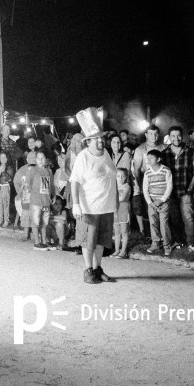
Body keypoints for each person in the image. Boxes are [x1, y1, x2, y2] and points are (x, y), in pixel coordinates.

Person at [69, 107, 118, 284]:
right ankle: (88, 269)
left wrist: (115, 202)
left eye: (101, 139)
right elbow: (74, 181)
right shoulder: (83, 157)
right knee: (88, 240)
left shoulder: (106, 154)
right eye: (96, 139)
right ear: (88, 142)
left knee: (101, 240)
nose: (100, 142)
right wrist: (76, 204)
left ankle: (98, 269)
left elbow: (111, 178)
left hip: (106, 206)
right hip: (89, 207)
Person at [161, 126, 194, 252]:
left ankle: (191, 243)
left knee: (188, 218)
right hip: (171, 192)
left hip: (185, 191)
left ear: (182, 136)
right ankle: (179, 241)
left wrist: (190, 188)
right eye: (173, 136)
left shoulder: (190, 152)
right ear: (169, 137)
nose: (176, 138)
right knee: (175, 218)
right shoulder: (164, 154)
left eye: (178, 135)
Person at [131, 125, 165, 239]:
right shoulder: (140, 149)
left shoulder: (163, 148)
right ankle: (148, 235)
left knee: (161, 210)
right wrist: (141, 186)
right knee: (148, 210)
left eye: (156, 133)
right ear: (146, 135)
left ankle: (162, 235)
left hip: (161, 183)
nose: (153, 136)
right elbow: (136, 170)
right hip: (146, 182)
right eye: (150, 133)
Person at [143, 149, 174, 255]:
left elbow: (169, 186)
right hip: (152, 203)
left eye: (151, 158)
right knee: (153, 223)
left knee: (164, 223)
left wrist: (162, 200)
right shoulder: (147, 172)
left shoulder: (166, 170)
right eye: (148, 158)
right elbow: (145, 189)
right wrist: (150, 202)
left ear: (159, 159)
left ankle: (167, 245)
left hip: (163, 202)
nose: (149, 160)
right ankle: (155, 243)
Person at [28, 151, 54, 250]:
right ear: (35, 160)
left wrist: (53, 195)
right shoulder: (33, 170)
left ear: (45, 159)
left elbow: (51, 185)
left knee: (44, 221)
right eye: (38, 158)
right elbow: (28, 184)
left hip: (46, 200)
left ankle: (44, 241)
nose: (40, 160)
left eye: (42, 158)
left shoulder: (48, 171)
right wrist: (32, 194)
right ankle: (36, 242)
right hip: (36, 201)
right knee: (36, 221)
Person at [111, 168, 132, 258]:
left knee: (124, 231)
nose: (120, 178)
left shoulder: (127, 186)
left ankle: (124, 251)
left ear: (126, 177)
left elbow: (122, 198)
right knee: (116, 232)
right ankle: (116, 250)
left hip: (123, 209)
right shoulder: (113, 187)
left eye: (122, 176)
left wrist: (113, 198)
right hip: (115, 210)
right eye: (118, 176)